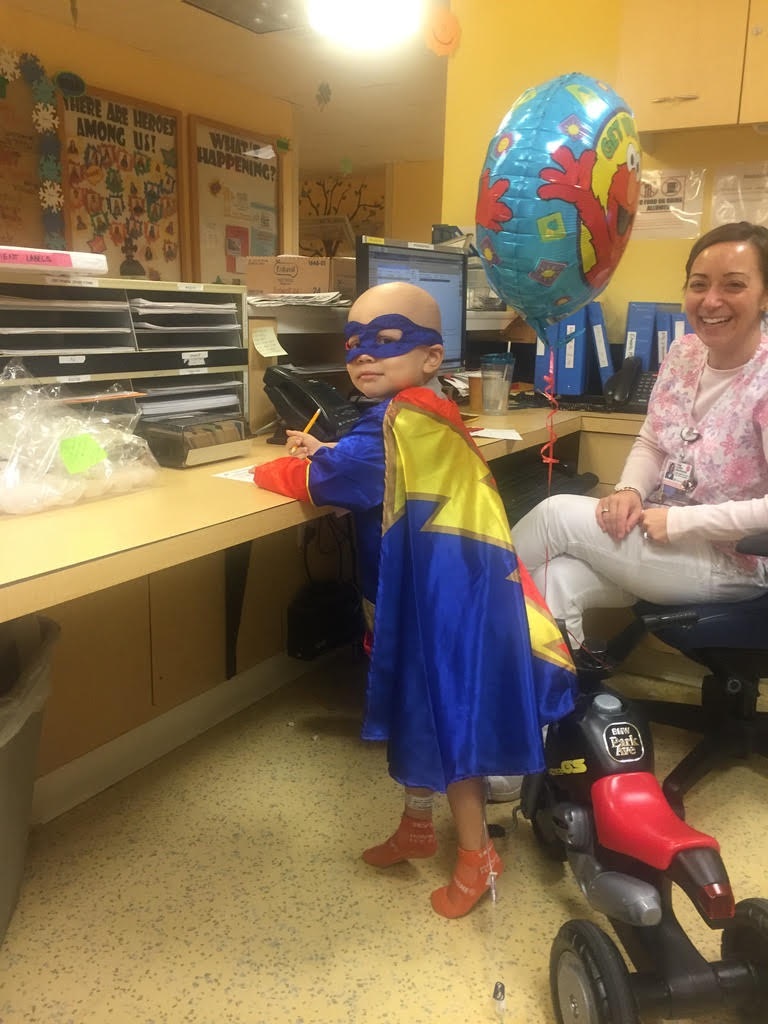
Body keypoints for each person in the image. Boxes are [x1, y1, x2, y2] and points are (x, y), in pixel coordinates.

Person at [254, 281, 576, 918]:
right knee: (412, 708)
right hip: (422, 594)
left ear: (431, 356)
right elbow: (368, 462)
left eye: (387, 340)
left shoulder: (401, 420)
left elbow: (337, 480)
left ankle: (476, 855)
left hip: (438, 610)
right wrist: (330, 449)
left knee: (441, 718)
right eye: (353, 344)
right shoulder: (418, 411)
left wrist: (278, 468)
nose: (363, 355)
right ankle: (417, 825)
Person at [513, 221, 768, 655]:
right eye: (699, 284)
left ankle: (453, 616)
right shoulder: (684, 353)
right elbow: (653, 440)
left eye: (734, 285)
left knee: (555, 516)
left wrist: (681, 523)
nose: (711, 300)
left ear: (764, 296)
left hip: (731, 560)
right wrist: (629, 490)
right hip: (658, 533)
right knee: (554, 578)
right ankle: (550, 693)